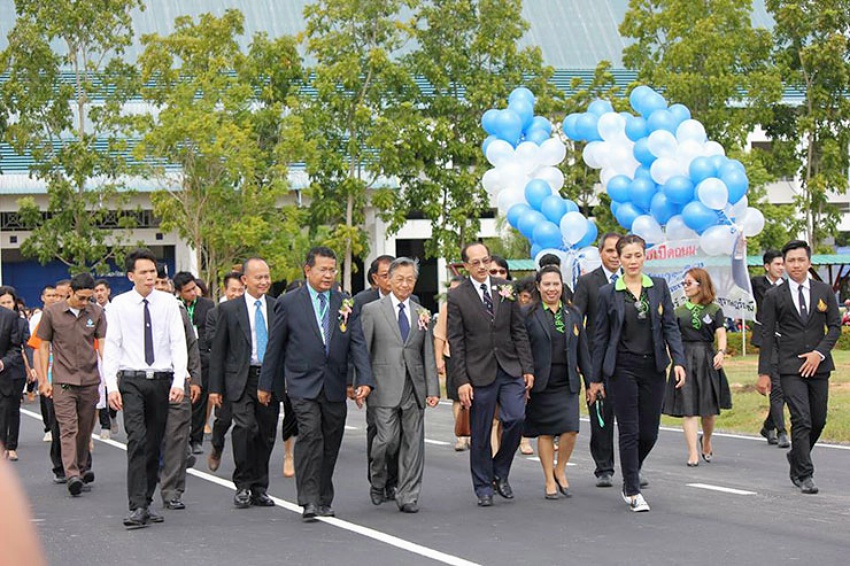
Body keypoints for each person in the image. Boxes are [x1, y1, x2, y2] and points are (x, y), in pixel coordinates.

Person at [258, 246, 374, 522]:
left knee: (331, 440)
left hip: (333, 383)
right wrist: (266, 384)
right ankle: (308, 499)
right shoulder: (287, 303)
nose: (328, 275)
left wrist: (364, 379)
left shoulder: (345, 303)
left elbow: (357, 343)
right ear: (308, 270)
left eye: (332, 270)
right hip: (301, 382)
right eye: (323, 269)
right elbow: (275, 347)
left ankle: (323, 495)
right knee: (310, 436)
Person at [587, 235, 686, 512]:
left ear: (645, 257)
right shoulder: (609, 293)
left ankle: (632, 467)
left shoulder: (659, 287)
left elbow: (670, 327)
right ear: (619, 258)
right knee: (629, 430)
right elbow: (600, 339)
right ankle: (632, 489)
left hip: (653, 366)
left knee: (649, 432)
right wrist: (595, 379)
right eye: (627, 256)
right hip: (621, 368)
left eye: (637, 255)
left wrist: (678, 360)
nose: (633, 261)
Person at [103, 248, 188, 529]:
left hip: (162, 380)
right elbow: (112, 346)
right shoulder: (118, 305)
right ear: (131, 276)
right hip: (131, 380)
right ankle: (136, 506)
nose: (150, 277)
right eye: (144, 272)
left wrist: (178, 381)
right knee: (137, 440)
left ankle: (147, 501)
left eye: (153, 271)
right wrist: (111, 386)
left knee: (153, 444)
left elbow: (178, 343)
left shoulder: (169, 303)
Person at [447, 242, 534, 507]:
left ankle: (500, 471)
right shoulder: (457, 296)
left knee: (516, 418)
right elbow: (457, 341)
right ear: (465, 266)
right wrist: (461, 380)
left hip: (509, 368)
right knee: (481, 433)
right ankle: (483, 486)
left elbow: (518, 330)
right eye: (476, 262)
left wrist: (527, 368)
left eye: (486, 260)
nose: (483, 266)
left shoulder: (505, 288)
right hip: (478, 372)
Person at [757, 240, 841, 495]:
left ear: (808, 262)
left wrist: (819, 353)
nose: (795, 265)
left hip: (819, 366)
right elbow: (767, 335)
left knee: (818, 420)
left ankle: (797, 455)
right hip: (790, 367)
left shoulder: (823, 290)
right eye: (790, 261)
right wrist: (764, 373)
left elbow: (835, 326)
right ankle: (804, 474)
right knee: (801, 419)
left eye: (800, 260)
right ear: (783, 265)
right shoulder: (774, 296)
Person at [361, 257, 440, 513]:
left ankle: (408, 495)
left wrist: (433, 389)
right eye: (400, 279)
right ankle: (378, 478)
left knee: (413, 445)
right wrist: (361, 383)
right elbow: (364, 350)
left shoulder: (422, 312)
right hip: (383, 386)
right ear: (389, 280)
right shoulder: (372, 310)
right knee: (386, 440)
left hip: (413, 387)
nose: (405, 284)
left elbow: (427, 352)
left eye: (410, 280)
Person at [208, 258, 278, 509]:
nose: (264, 282)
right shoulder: (229, 310)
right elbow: (218, 351)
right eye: (258, 277)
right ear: (245, 280)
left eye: (267, 276)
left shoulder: (276, 307)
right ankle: (243, 485)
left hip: (269, 378)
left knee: (266, 434)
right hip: (240, 378)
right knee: (246, 428)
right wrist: (215, 388)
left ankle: (260, 487)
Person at [524, 266, 591, 499]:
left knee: (571, 428)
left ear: (562, 286)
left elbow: (583, 350)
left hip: (567, 380)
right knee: (545, 432)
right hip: (541, 381)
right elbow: (523, 348)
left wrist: (591, 382)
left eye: (555, 284)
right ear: (538, 286)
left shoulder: (573, 313)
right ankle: (548, 479)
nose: (551, 289)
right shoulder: (528, 314)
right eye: (546, 284)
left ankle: (560, 468)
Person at [35, 274, 104, 495]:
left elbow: (103, 345)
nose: (85, 303)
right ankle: (71, 473)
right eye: (81, 298)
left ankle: (82, 469)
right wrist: (44, 380)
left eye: (89, 299)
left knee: (85, 430)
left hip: (90, 379)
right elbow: (43, 345)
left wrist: (111, 377)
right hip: (63, 380)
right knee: (68, 427)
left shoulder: (97, 313)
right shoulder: (51, 313)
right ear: (70, 292)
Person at [662, 268, 732, 467]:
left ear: (701, 285)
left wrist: (721, 352)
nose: (685, 287)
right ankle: (692, 452)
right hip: (684, 359)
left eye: (689, 283)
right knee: (688, 408)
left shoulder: (714, 309)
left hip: (707, 358)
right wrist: (676, 360)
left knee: (708, 410)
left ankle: (707, 440)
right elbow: (671, 339)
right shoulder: (678, 311)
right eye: (684, 283)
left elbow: (721, 333)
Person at [572, 232, 621, 488]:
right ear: (601, 252)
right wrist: (581, 359)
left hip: (628, 357)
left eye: (618, 251)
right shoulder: (588, 282)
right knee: (601, 413)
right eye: (610, 251)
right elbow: (577, 322)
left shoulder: (634, 280)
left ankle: (634, 466)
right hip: (597, 359)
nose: (615, 256)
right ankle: (604, 467)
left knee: (630, 417)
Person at [353, 255, 404, 501]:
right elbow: (358, 345)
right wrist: (356, 380)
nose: (393, 279)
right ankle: (377, 479)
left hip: (403, 381)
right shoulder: (362, 303)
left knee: (399, 437)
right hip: (376, 381)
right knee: (380, 435)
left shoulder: (411, 301)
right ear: (375, 278)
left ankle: (393, 482)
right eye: (386, 274)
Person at [154, 268, 202, 511]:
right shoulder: (131, 308)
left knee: (177, 435)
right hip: (146, 381)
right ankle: (148, 479)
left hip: (178, 380)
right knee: (148, 436)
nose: (160, 286)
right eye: (157, 281)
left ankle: (172, 490)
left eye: (164, 282)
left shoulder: (178, 309)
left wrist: (195, 380)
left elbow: (191, 345)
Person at [205, 271, 244, 472]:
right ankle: (217, 446)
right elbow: (211, 340)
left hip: (245, 373)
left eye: (240, 290)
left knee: (247, 424)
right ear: (225, 290)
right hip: (226, 374)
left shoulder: (251, 312)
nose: (237, 294)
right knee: (224, 419)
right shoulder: (215, 313)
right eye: (233, 290)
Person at [173, 272, 215, 456]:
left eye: (194, 289)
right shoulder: (174, 306)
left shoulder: (207, 305)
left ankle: (196, 438)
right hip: (180, 355)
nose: (193, 293)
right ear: (179, 292)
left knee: (200, 398)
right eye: (188, 291)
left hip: (202, 355)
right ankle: (181, 437)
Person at [751, 250, 790, 448]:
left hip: (787, 340)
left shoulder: (788, 286)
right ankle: (782, 431)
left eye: (783, 264)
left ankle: (768, 425)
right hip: (768, 340)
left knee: (784, 386)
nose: (781, 268)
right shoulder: (757, 284)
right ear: (767, 266)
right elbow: (738, 281)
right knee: (775, 385)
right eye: (777, 264)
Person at [433, 276, 467, 451]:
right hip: (452, 355)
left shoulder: (473, 304)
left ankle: (475, 434)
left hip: (474, 357)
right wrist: (439, 359)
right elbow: (440, 334)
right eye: (450, 290)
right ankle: (461, 436)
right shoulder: (447, 308)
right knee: (456, 396)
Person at [0, 287, 25, 461]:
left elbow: (15, 348)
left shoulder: (9, 318)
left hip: (4, 378)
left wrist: (3, 362)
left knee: (7, 416)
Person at [93, 279, 118, 440]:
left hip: (116, 352)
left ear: (108, 291)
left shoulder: (116, 309)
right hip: (97, 353)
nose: (99, 294)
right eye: (96, 291)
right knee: (101, 388)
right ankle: (105, 425)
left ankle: (113, 414)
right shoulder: (91, 311)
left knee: (114, 386)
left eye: (102, 290)